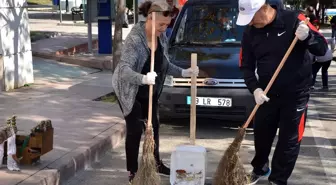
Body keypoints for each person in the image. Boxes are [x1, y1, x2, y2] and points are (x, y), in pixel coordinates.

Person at [236, 0, 328, 184]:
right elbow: (245, 65)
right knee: (261, 135)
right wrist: (255, 89)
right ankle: (260, 168)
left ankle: (278, 179)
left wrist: (308, 37)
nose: (250, 23)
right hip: (266, 94)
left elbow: (323, 48)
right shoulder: (250, 31)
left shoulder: (294, 20)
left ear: (264, 8)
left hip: (295, 94)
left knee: (289, 141)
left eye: (252, 18)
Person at [111, 0, 199, 183]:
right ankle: (132, 171)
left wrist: (184, 72)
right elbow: (125, 70)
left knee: (154, 126)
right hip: (129, 88)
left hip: (149, 87)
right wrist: (142, 78)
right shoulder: (136, 39)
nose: (164, 29)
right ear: (150, 18)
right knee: (135, 127)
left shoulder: (161, 37)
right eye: (161, 25)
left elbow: (164, 62)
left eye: (167, 25)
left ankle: (156, 163)